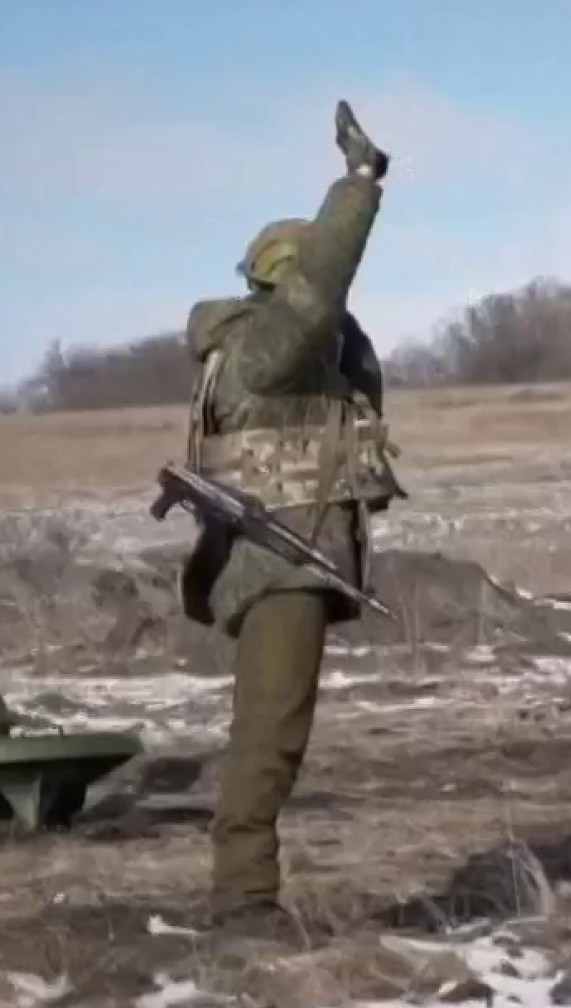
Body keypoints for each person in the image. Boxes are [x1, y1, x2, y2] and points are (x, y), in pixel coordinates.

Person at [178, 104, 403, 929]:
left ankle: (244, 894)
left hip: (287, 561)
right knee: (269, 737)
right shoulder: (273, 351)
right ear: (286, 285)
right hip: (280, 564)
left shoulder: (270, 357)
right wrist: (359, 185)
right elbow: (318, 296)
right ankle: (242, 903)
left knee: (273, 731)